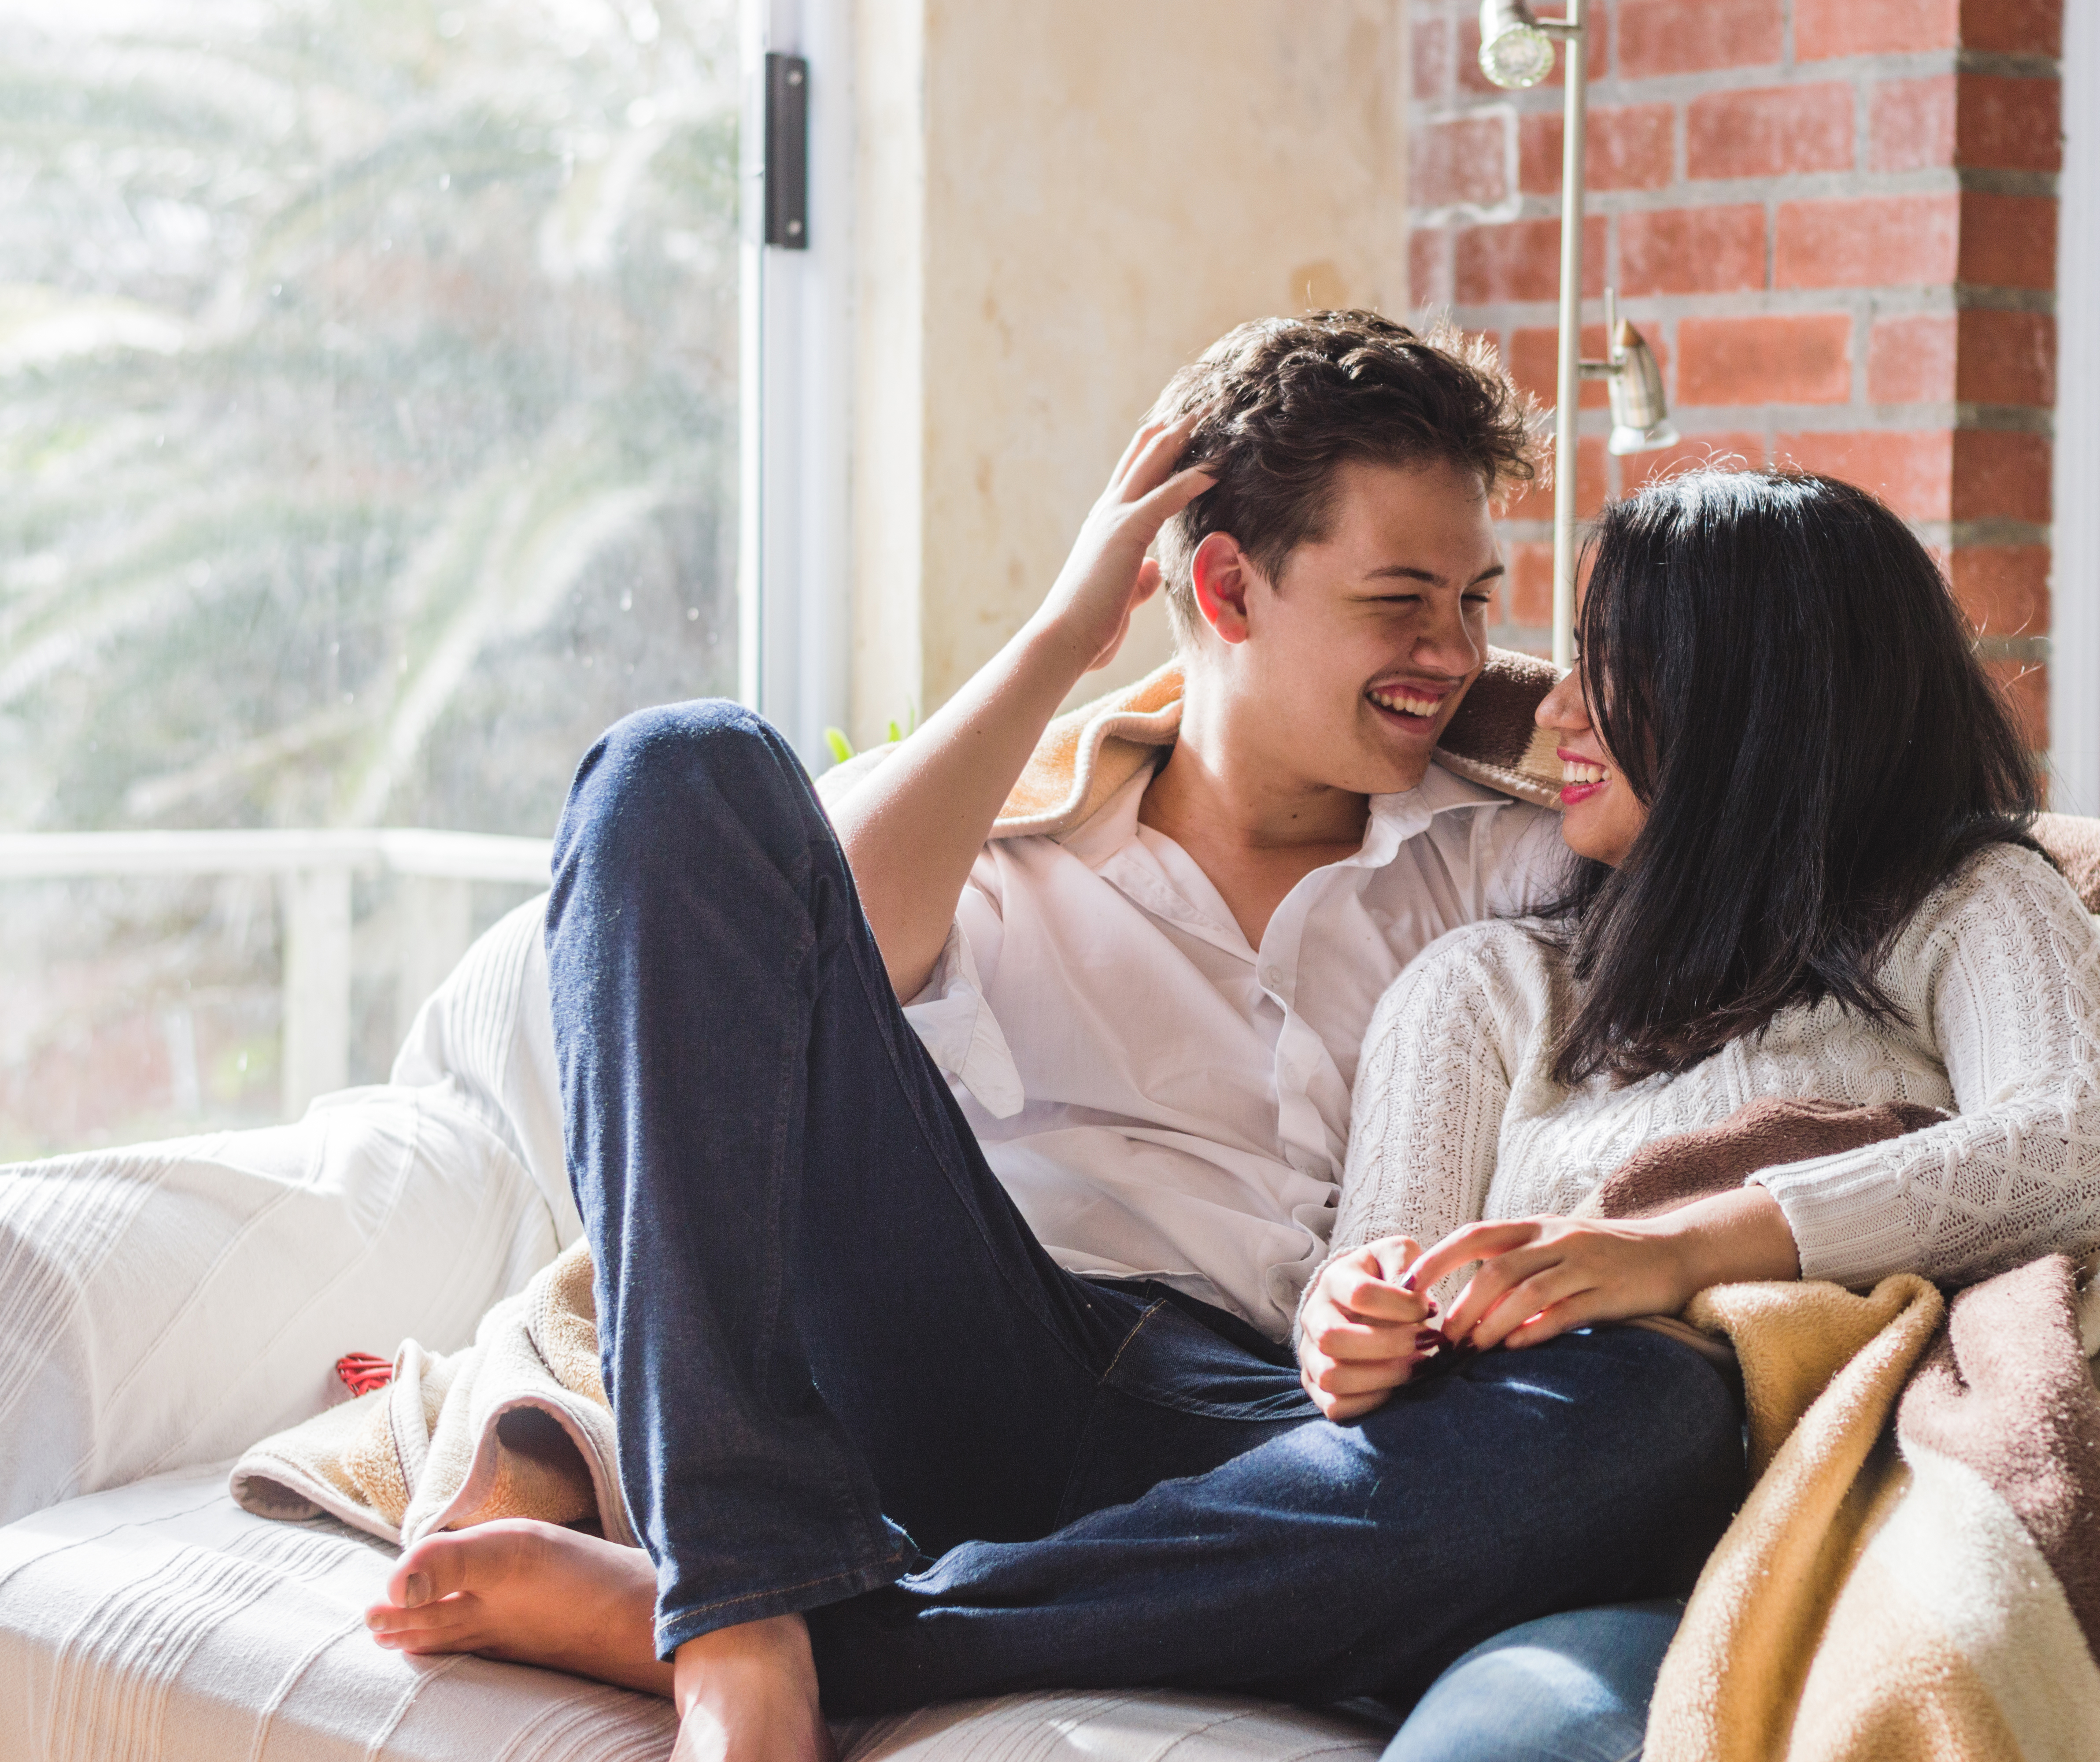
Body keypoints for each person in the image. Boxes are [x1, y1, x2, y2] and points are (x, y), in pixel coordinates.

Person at [356, 313, 1748, 1762]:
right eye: (1403, 599)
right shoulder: (994, 845)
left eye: (1477, 599)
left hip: (1267, 1435)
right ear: (1223, 586)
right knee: (671, 763)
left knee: (1654, 1412)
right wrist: (1056, 639)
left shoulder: (1499, 859)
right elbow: (763, 947)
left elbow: (1751, 816)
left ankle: (814, 1627)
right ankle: (740, 1633)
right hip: (967, 1348)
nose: (1455, 651)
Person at [1302, 468, 2100, 1762]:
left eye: (1612, 666)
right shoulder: (1484, 990)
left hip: (1801, 1512)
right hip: (1516, 1516)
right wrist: (1346, 1321)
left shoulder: (1965, 904)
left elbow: (2089, 1149)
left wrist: (1680, 1251)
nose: (1555, 707)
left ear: (1758, 705)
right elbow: (1381, 1276)